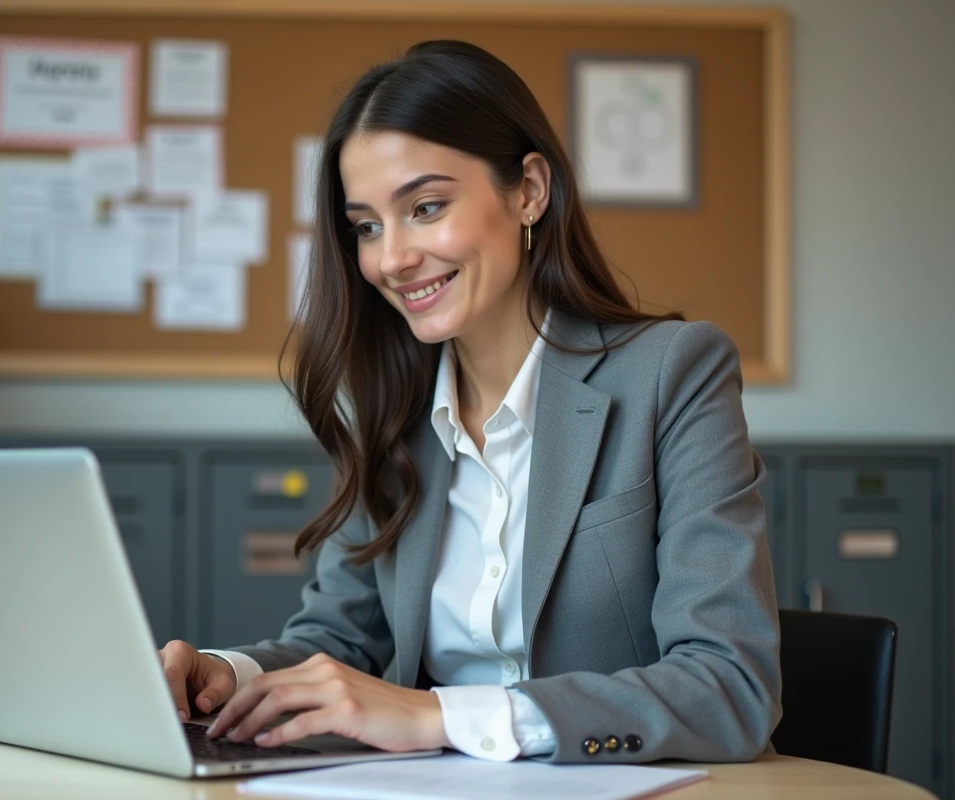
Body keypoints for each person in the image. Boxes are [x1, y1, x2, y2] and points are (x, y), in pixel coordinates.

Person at [159, 39, 781, 764]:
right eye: (366, 225)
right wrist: (228, 676)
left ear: (529, 192)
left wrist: (439, 717)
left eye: (425, 207)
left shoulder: (673, 374)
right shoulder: (395, 409)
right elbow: (340, 643)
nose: (390, 258)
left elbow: (731, 686)